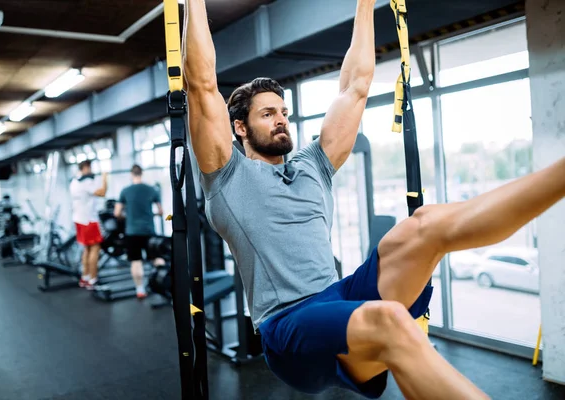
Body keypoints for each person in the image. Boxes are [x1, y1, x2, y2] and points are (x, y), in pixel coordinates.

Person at [183, 0, 565, 399]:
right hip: (289, 326)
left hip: (340, 296)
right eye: (267, 114)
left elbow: (356, 85)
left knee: (426, 224)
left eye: (283, 111)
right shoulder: (227, 177)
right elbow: (202, 83)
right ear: (239, 127)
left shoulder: (312, 164)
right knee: (390, 320)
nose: (281, 119)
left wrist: (366, 5)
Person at [114, 165, 166, 299]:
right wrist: (151, 215)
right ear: (141, 174)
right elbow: (161, 212)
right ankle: (165, 285)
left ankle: (140, 289)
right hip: (149, 230)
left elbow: (117, 213)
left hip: (132, 232)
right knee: (157, 258)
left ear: (132, 174)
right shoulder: (152, 190)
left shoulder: (125, 191)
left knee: (136, 261)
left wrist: (128, 216)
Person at [70, 160, 108, 289]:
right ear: (85, 168)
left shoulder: (74, 181)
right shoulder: (86, 182)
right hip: (88, 220)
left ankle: (85, 277)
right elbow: (102, 192)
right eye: (90, 168)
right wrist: (104, 178)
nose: (91, 170)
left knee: (86, 249)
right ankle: (93, 279)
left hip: (79, 219)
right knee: (95, 249)